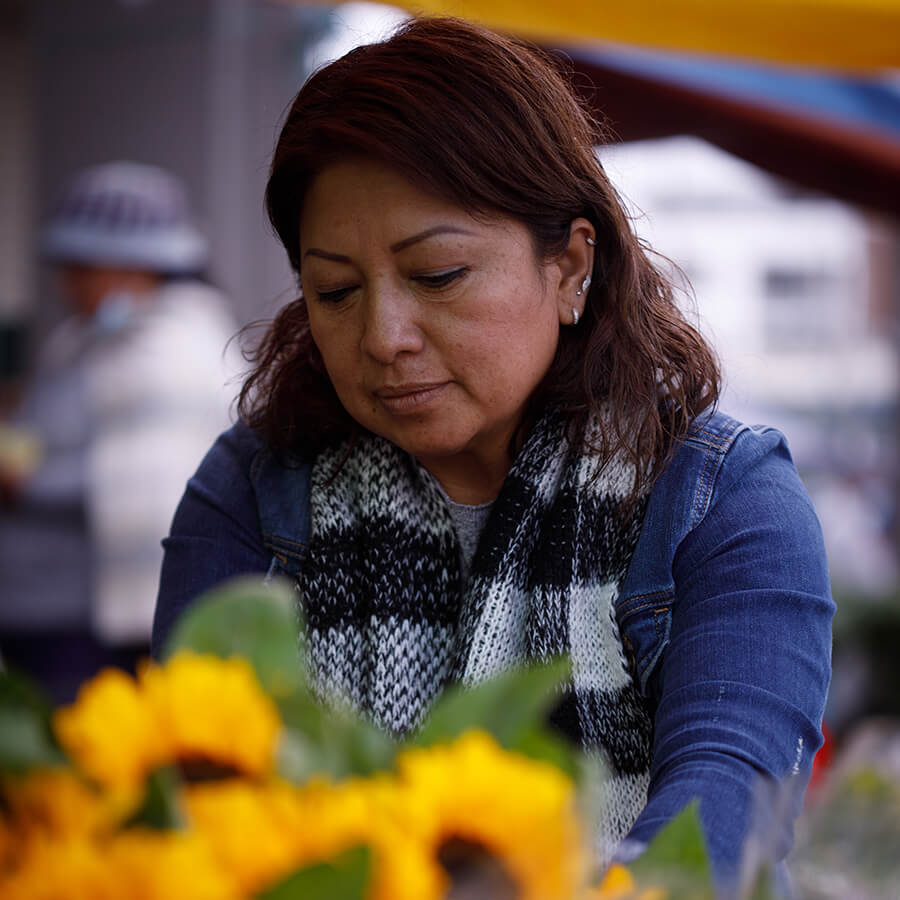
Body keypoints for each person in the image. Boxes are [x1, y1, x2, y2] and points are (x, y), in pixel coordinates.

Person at [152, 17, 833, 892]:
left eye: (437, 275)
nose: (385, 336)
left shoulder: (723, 502)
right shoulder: (254, 492)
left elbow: (720, 819)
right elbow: (190, 805)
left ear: (571, 267)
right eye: (335, 291)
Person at [0, 161, 240, 700]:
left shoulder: (175, 349)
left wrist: (26, 481)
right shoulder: (85, 338)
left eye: (85, 265)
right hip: (41, 617)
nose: (70, 284)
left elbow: (144, 481)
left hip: (84, 630)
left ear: (141, 261)